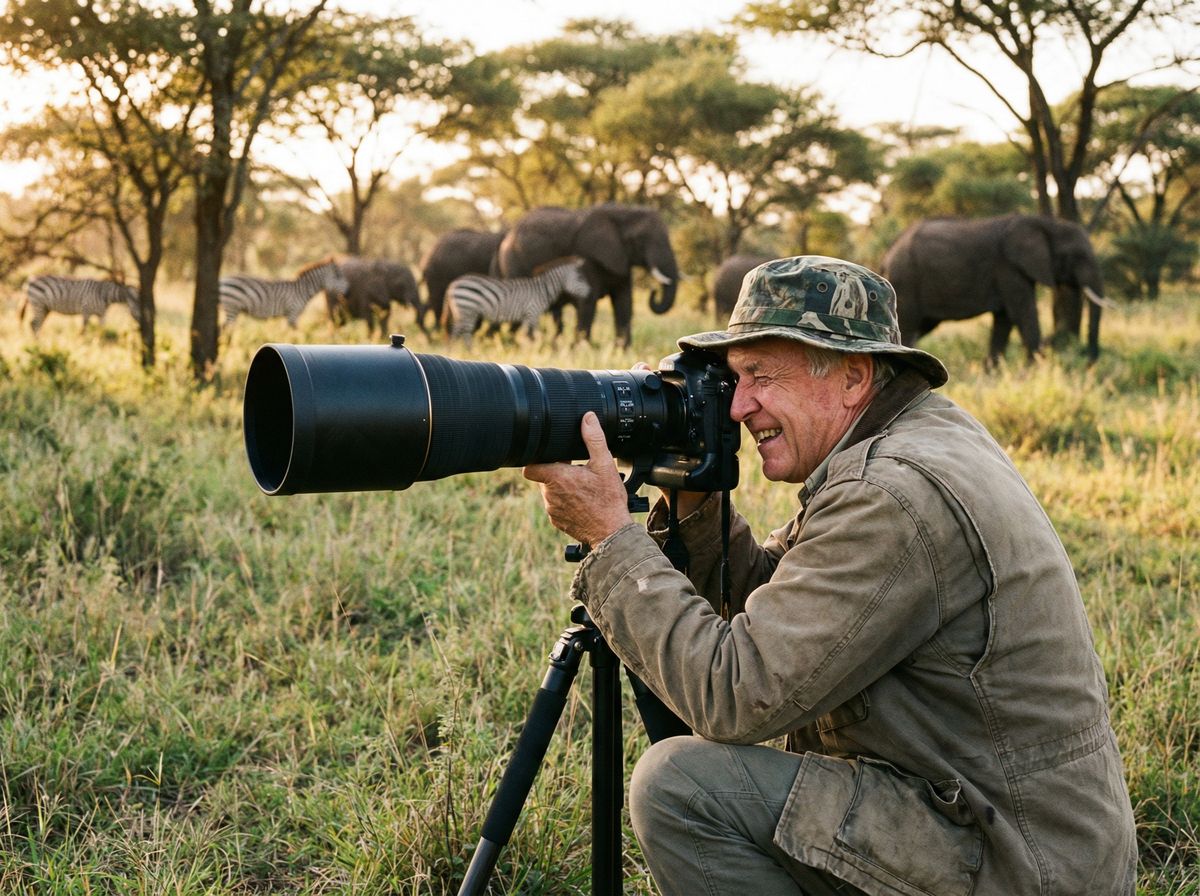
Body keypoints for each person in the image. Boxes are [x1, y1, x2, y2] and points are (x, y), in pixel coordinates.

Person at [523, 256, 1137, 896]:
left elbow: (737, 694)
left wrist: (613, 540)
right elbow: (782, 606)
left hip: (1015, 861)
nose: (738, 406)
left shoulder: (890, 494)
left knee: (681, 786)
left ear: (853, 376)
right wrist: (694, 498)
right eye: (735, 379)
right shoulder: (915, 433)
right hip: (1005, 824)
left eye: (762, 375)